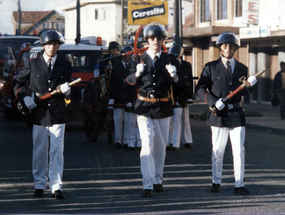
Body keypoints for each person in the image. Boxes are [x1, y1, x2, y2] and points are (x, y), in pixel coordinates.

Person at [195, 31, 257, 195]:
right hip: (218, 115)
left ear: (235, 48)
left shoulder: (242, 68)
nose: (228, 48)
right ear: (220, 48)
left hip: (236, 113)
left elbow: (245, 92)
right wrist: (213, 101)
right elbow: (200, 89)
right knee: (218, 150)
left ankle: (239, 184)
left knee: (239, 150)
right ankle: (216, 181)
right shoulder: (211, 67)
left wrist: (251, 85)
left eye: (231, 46)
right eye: (225, 45)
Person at [13, 29, 72, 199]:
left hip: (58, 112)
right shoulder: (33, 63)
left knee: (56, 150)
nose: (52, 47)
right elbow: (17, 83)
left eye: (55, 44)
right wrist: (24, 98)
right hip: (38, 112)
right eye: (49, 44)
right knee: (39, 150)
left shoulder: (65, 65)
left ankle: (56, 186)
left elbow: (69, 93)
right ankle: (39, 184)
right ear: (43, 45)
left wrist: (68, 92)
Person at [125, 22, 179, 197]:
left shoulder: (170, 59)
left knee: (160, 147)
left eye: (159, 38)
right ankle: (147, 184)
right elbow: (128, 81)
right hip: (144, 106)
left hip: (163, 106)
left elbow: (181, 84)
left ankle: (158, 180)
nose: (155, 41)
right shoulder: (137, 59)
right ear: (147, 40)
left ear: (163, 40)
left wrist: (175, 75)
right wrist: (137, 74)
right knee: (146, 145)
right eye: (152, 38)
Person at [108, 45, 137, 148]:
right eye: (128, 55)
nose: (130, 57)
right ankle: (118, 140)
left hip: (129, 96)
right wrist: (111, 98)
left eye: (131, 55)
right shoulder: (116, 66)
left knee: (128, 120)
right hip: (118, 95)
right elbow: (112, 83)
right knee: (118, 119)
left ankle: (126, 140)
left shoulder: (133, 66)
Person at [167, 44, 194, 151]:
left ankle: (187, 140)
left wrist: (189, 96)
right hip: (175, 94)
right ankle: (173, 142)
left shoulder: (186, 65)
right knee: (174, 121)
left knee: (185, 119)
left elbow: (190, 81)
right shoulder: (170, 65)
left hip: (184, 93)